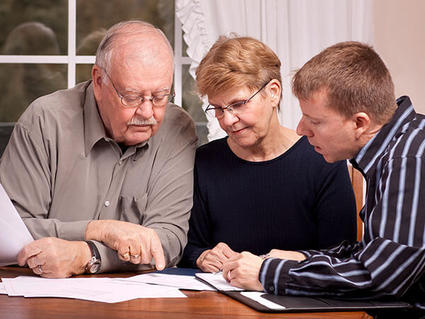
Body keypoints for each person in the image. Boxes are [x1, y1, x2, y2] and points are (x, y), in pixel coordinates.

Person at [222, 41, 425, 311]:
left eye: (314, 121)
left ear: (359, 122)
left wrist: (267, 273)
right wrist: (300, 258)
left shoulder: (410, 158)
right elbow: (371, 253)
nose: (301, 129)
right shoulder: (398, 146)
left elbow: (380, 276)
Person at [0, 20, 197, 278]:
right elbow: (9, 234)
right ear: (99, 81)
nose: (148, 112)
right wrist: (99, 230)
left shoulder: (177, 129)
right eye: (131, 96)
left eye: (160, 96)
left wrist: (87, 255)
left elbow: (167, 241)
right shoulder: (44, 121)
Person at [178, 36, 357, 272]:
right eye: (219, 109)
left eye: (239, 104)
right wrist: (201, 256)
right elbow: (188, 247)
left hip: (301, 302)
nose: (228, 120)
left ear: (273, 93)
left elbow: (340, 256)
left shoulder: (323, 160)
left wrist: (268, 266)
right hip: (218, 303)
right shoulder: (204, 162)